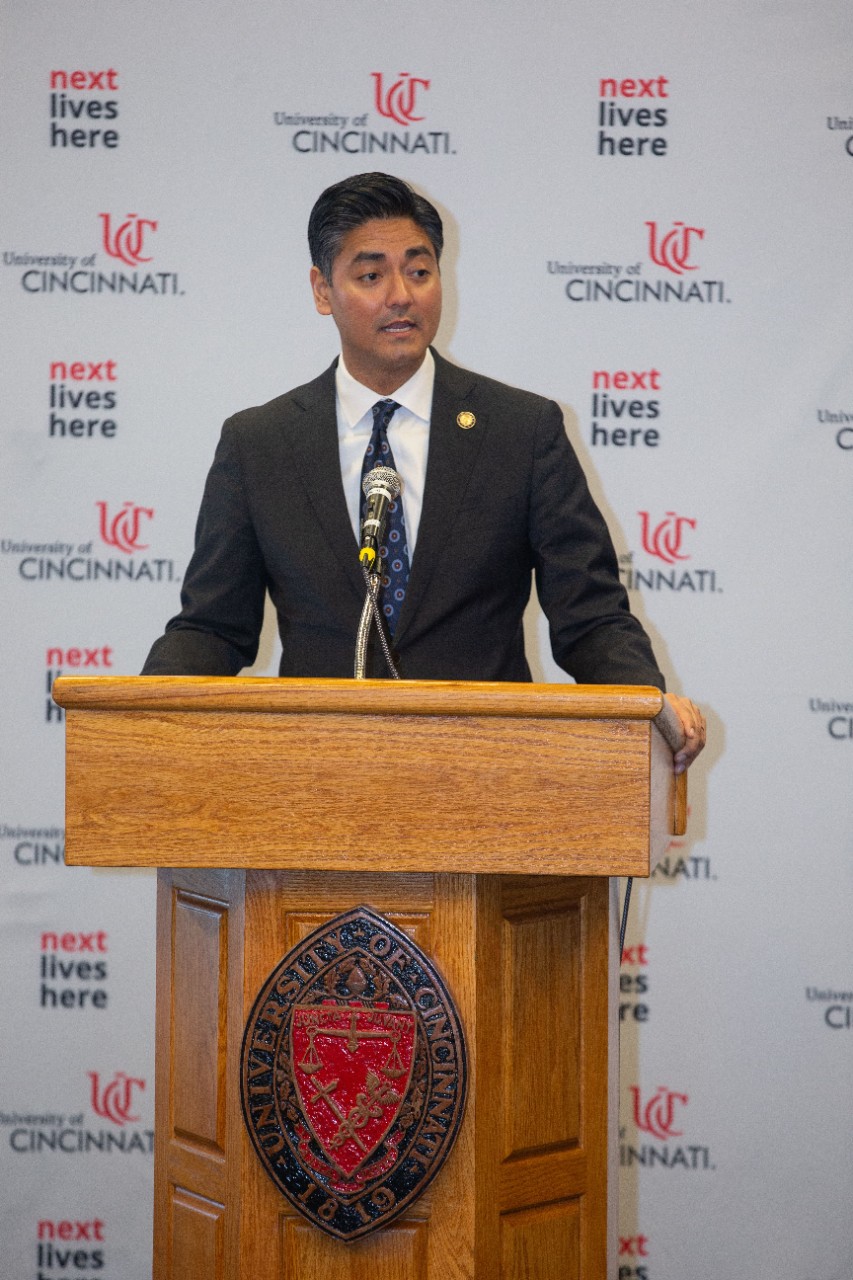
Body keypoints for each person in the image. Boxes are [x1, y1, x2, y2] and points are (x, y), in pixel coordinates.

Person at [142, 172, 705, 772]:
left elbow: (589, 615)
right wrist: (138, 713)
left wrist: (645, 701)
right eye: (370, 275)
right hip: (316, 779)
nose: (400, 296)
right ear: (322, 289)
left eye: (419, 270)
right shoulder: (260, 444)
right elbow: (213, 628)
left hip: (490, 775)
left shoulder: (520, 430)